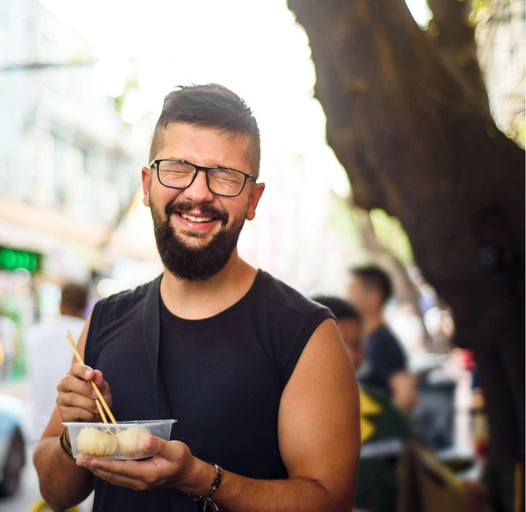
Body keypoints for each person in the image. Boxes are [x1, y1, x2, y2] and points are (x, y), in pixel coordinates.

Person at [34, 84, 360, 512]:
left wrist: (198, 478)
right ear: (148, 184)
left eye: (225, 176)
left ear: (252, 200)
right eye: (177, 168)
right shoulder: (107, 318)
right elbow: (56, 493)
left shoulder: (305, 334)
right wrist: (73, 433)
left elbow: (328, 503)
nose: (198, 193)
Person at [313, 296, 414, 512]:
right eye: (340, 343)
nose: (351, 355)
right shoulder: (281, 421)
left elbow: (422, 465)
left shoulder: (380, 407)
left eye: (357, 344)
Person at [348, 265, 417, 415]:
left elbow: (406, 394)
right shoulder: (368, 340)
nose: (348, 297)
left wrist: (381, 430)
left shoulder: (383, 342)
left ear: (374, 297)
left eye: (353, 291)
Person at [27, 282, 89, 440]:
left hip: (39, 423)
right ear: (84, 306)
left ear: (60, 304)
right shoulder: (89, 333)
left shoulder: (35, 333)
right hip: (76, 427)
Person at [0, 310, 19, 381]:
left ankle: (2, 380)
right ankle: (5, 379)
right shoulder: (9, 322)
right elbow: (15, 337)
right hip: (6, 347)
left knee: (2, 365)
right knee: (6, 365)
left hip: (0, 347)